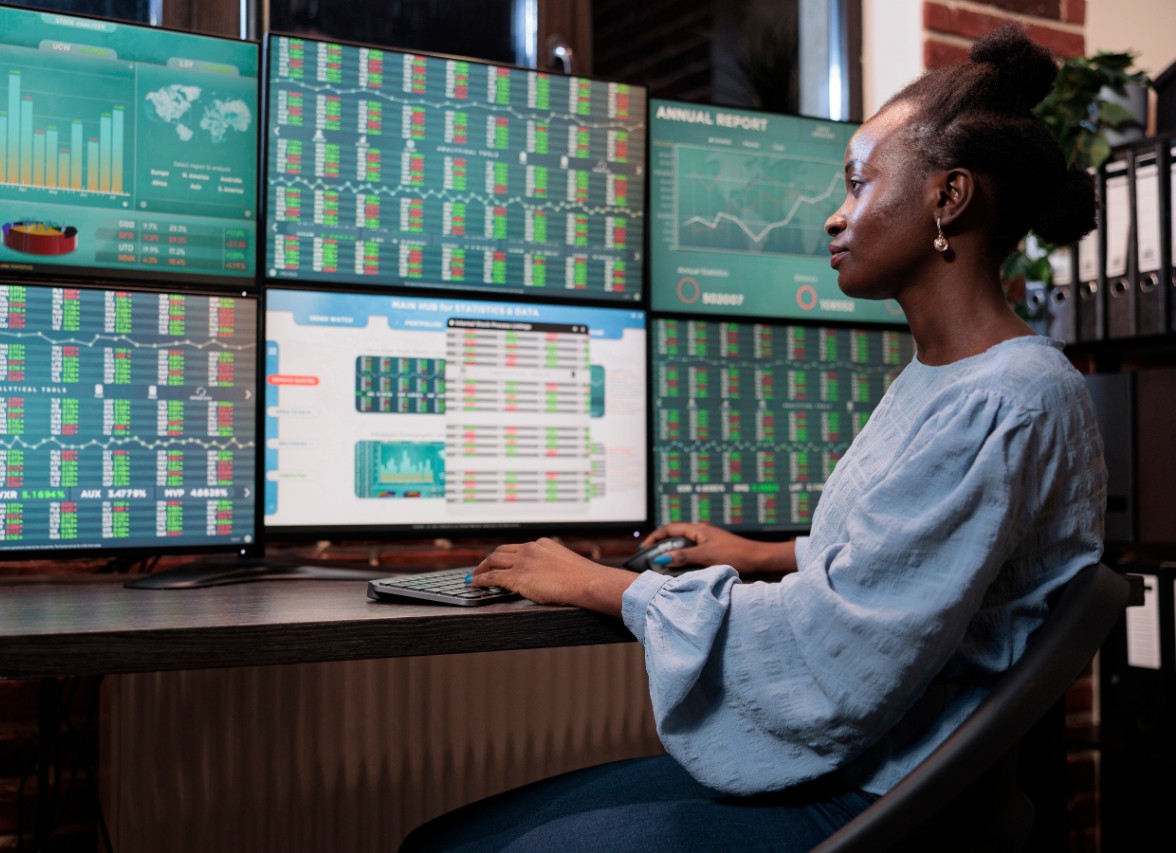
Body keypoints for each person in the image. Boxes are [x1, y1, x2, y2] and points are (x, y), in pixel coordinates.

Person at [401, 24, 1106, 853]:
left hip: (879, 794)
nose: (836, 217)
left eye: (857, 184)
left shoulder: (1013, 399)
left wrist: (602, 586)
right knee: (443, 839)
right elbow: (916, 568)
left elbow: (841, 652)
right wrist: (767, 552)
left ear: (948, 199)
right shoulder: (946, 380)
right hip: (870, 764)